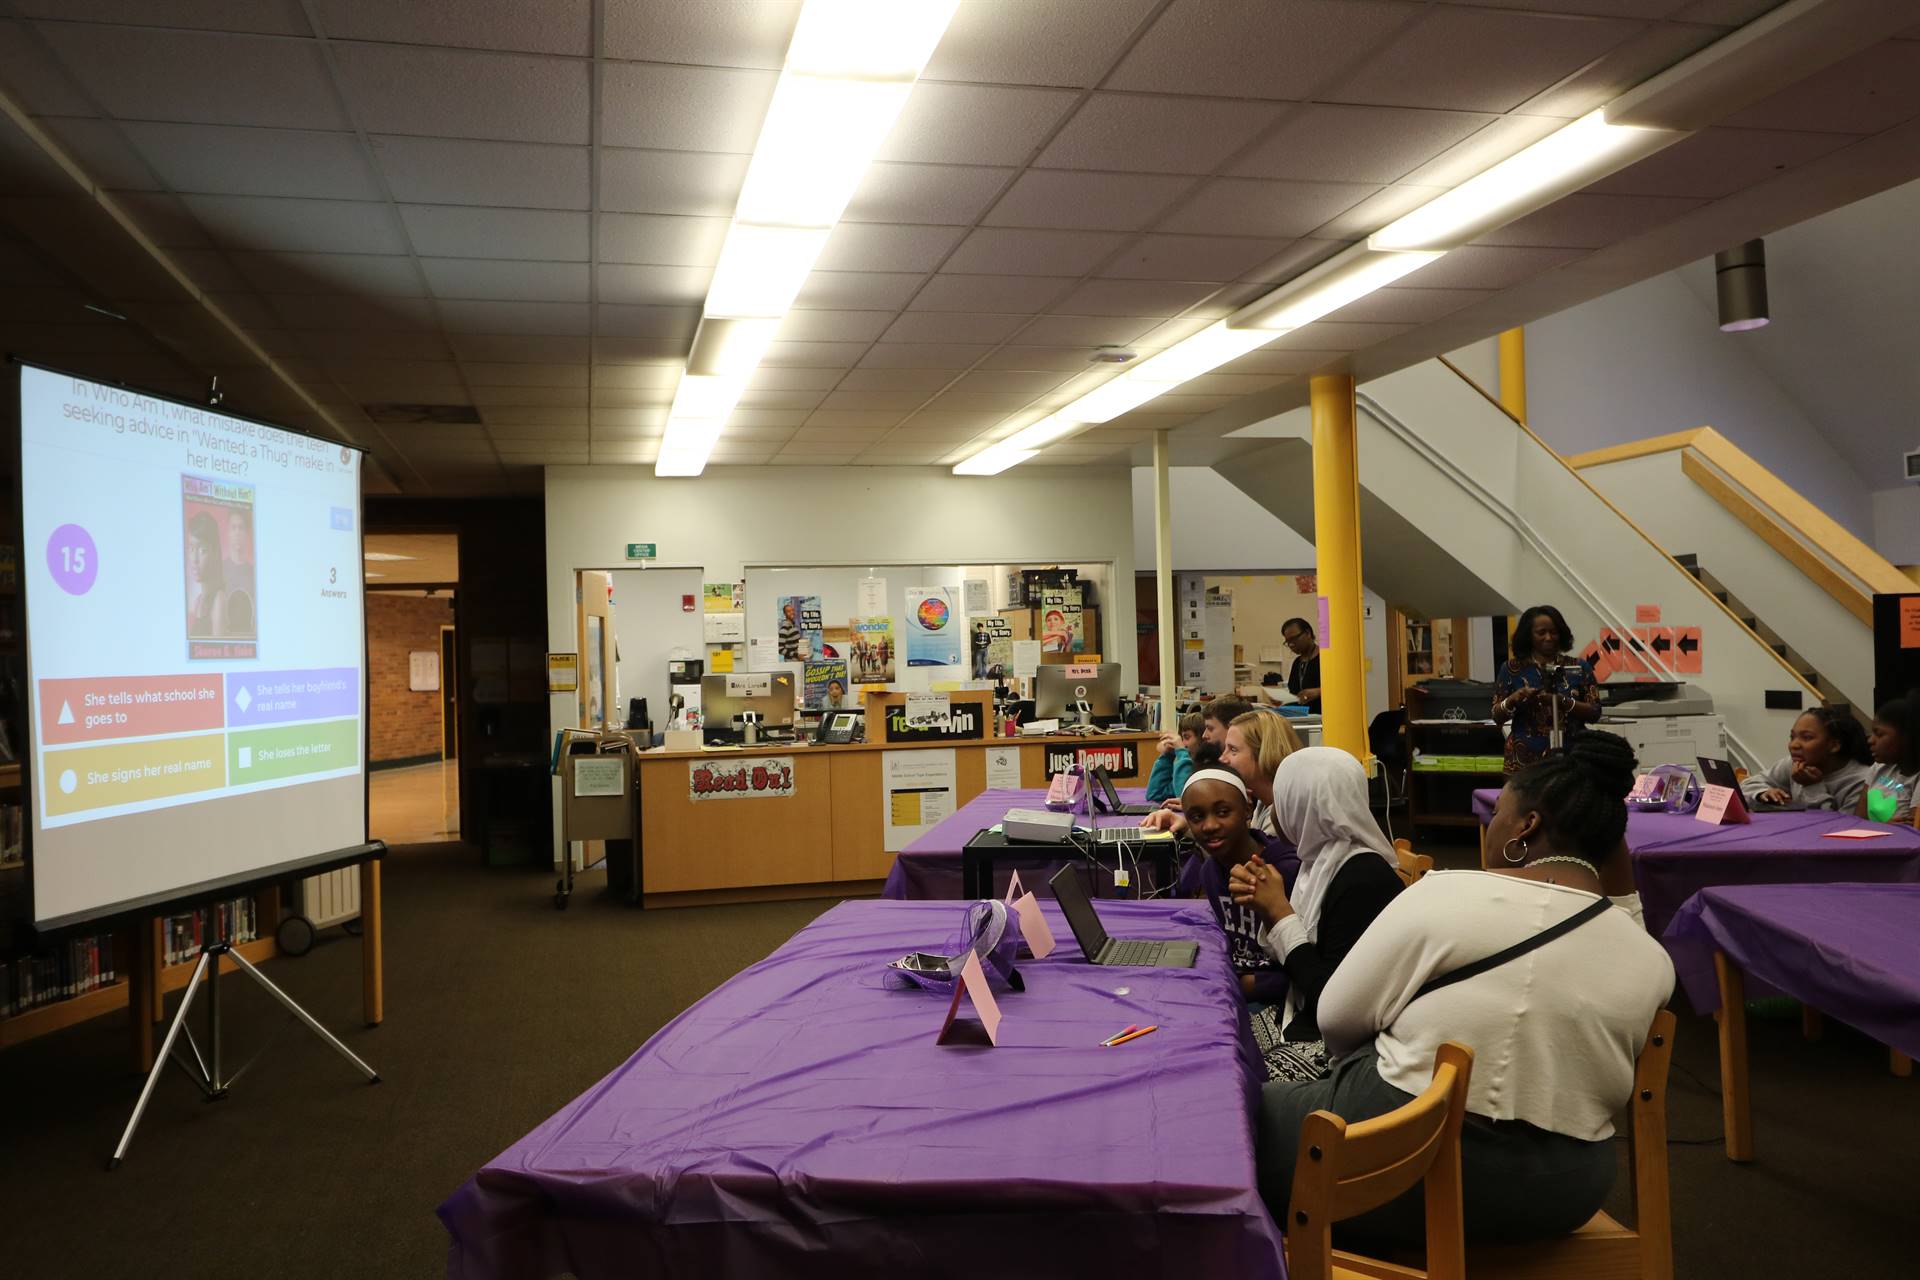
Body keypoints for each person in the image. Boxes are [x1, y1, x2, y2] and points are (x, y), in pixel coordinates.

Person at [1252, 730, 1673, 1247]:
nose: (1490, 826)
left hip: (1394, 1160)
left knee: (1241, 1113)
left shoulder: (1446, 893)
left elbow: (1336, 1017)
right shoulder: (1649, 959)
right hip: (1561, 1194)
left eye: (1497, 814)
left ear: (1526, 826)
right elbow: (1626, 914)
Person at [1229, 748, 1403, 1082]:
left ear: (1303, 804)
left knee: (1235, 1081)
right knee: (1220, 1031)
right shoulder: (1317, 863)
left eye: (1280, 800)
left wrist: (1279, 914)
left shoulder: (1362, 878)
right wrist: (1266, 908)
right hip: (1305, 1016)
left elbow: (1330, 999)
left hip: (1345, 1048)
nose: (1275, 812)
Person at [1180, 769, 1297, 1004]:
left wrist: (1250, 986)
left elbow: (1316, 966)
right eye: (1197, 817)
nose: (1210, 825)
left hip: (1285, 1000)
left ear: (1247, 808)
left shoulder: (1286, 869)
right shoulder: (1210, 872)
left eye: (1223, 812)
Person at [1142, 706, 1293, 833]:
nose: (1222, 758)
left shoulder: (1281, 815)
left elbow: (1250, 860)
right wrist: (1186, 826)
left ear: (1263, 753)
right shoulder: (1264, 802)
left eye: (1233, 750)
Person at [1494, 605, 1599, 773]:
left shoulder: (1578, 667)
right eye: (1541, 632)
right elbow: (1496, 716)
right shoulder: (1512, 669)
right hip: (1524, 761)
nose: (1549, 637)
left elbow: (1595, 712)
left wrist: (1562, 702)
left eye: (1554, 632)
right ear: (1529, 635)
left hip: (1571, 757)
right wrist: (1514, 698)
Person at [1742, 706, 1871, 812]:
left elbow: (1838, 829)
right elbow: (1747, 785)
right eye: (1792, 737)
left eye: (1807, 737)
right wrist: (1763, 793)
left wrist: (1813, 788)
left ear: (1834, 745)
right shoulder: (1794, 763)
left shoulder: (1862, 781)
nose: (1794, 745)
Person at [185, 511, 254, 638]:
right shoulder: (198, 601)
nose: (194, 559)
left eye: (202, 550)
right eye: (191, 548)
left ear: (214, 552)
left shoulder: (218, 602)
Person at [1861, 695, 1920, 824]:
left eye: (1879, 734)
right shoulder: (1877, 768)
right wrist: (1884, 828)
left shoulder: (1916, 777)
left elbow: (1914, 833)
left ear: (1906, 737)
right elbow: (1859, 821)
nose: (1870, 740)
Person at [1146, 711, 1204, 804]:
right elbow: (1155, 794)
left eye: (1187, 737)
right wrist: (1168, 755)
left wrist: (1181, 751)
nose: (1183, 743)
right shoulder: (1189, 766)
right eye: (1182, 738)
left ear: (1203, 738)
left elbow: (1185, 799)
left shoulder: (1205, 771)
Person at [1281, 617, 1321, 714]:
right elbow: (1294, 693)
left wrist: (1319, 691)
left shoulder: (1327, 659)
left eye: (1294, 639)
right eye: (1288, 642)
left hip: (1326, 718)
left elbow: (1344, 686)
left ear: (1308, 633)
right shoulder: (1297, 662)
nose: (1291, 645)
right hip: (1303, 718)